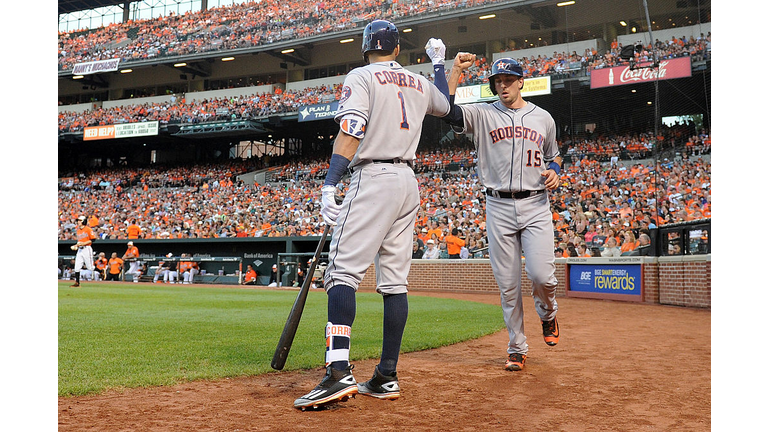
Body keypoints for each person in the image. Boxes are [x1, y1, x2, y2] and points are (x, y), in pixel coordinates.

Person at [294, 20, 450, 411]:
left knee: (341, 273)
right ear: (397, 49)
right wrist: (439, 66)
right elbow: (446, 106)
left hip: (373, 176)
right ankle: (386, 375)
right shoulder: (417, 81)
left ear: (365, 48)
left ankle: (337, 371)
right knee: (395, 283)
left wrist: (330, 182)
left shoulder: (361, 75)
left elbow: (352, 128)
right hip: (408, 181)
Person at [435, 46, 561, 372]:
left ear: (521, 82)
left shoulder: (543, 117)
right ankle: (517, 347)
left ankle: (548, 315)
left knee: (542, 276)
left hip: (535, 203)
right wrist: (455, 71)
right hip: (498, 206)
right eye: (498, 81)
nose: (503, 86)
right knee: (508, 284)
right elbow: (447, 111)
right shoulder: (482, 113)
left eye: (509, 80)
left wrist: (555, 171)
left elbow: (554, 156)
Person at [70, 215, 96, 287]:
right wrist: (76, 245)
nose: (78, 222)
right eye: (78, 220)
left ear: (84, 221)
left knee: (90, 267)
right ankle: (77, 283)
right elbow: (80, 241)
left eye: (80, 220)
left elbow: (93, 239)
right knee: (77, 267)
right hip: (80, 249)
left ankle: (101, 271)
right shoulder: (78, 230)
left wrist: (83, 243)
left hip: (87, 248)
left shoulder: (88, 229)